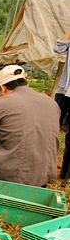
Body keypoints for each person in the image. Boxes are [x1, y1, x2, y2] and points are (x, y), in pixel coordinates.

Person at [0, 65, 60, 187]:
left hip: (12, 179)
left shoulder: (1, 104)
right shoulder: (52, 103)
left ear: (2, 89)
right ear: (26, 85)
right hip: (44, 178)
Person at [53, 27, 70, 181]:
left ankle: (66, 174)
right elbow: (58, 47)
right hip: (64, 89)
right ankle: (48, 165)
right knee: (52, 127)